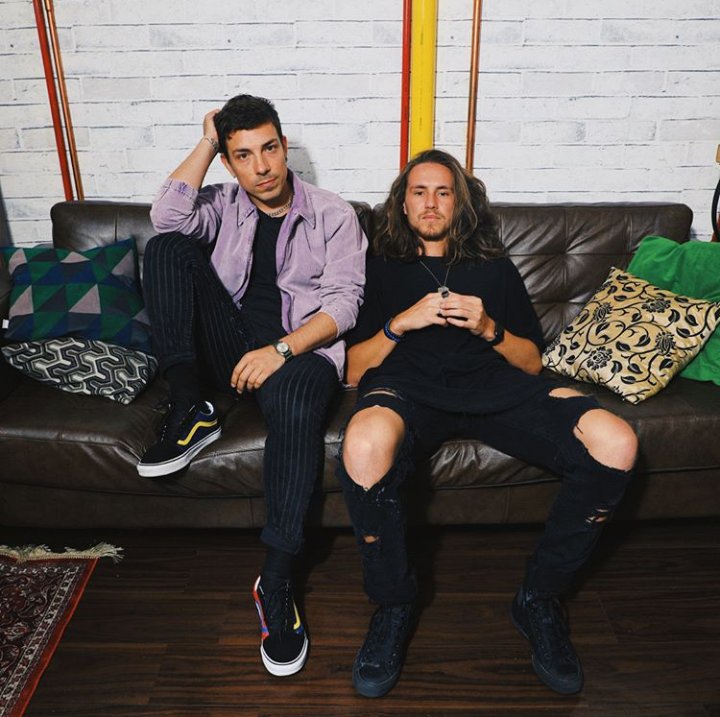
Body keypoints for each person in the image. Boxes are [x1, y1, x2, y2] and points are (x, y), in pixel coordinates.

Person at [337, 149, 638, 698]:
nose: (431, 203)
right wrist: (401, 323)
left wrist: (488, 327)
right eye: (420, 192)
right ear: (402, 204)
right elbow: (354, 370)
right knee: (362, 443)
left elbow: (532, 362)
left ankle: (539, 598)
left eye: (443, 192)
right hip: (407, 388)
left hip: (494, 387)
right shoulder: (377, 266)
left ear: (460, 203)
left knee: (615, 440)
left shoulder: (493, 267)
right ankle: (394, 604)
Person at [140, 94, 367, 678]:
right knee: (167, 246)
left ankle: (277, 579)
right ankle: (191, 407)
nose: (262, 167)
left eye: (269, 149)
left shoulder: (333, 214)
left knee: (295, 403)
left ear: (285, 146)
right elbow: (165, 219)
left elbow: (344, 306)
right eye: (243, 155)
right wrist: (207, 139)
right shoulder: (222, 203)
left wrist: (281, 351)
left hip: (300, 351)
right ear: (229, 162)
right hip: (230, 349)